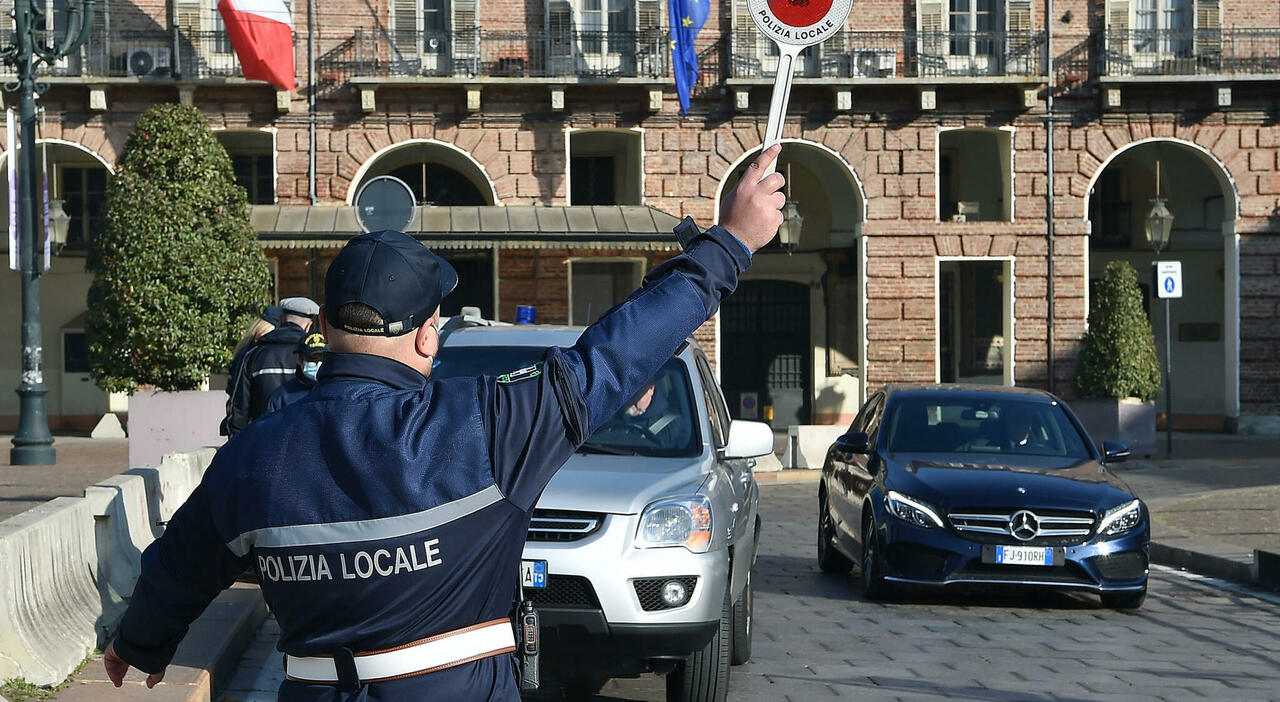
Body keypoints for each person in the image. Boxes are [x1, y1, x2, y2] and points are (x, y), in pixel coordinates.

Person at [102, 145, 786, 700]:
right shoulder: (486, 423)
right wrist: (729, 243)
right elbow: (616, 352)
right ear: (429, 335)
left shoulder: (252, 455)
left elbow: (181, 563)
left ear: (329, 325)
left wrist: (142, 642)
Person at [220, 297, 319, 436]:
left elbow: (238, 410)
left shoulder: (252, 355)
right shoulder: (315, 357)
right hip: (303, 444)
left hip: (262, 443)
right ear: (309, 326)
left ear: (280, 320)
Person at [264, 331, 327, 414]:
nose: (318, 364)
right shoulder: (281, 398)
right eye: (312, 359)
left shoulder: (339, 391)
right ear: (298, 359)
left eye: (323, 358)